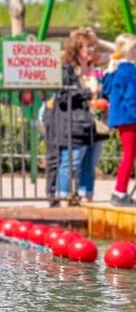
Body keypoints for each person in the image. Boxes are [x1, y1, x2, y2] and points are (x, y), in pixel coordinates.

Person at [51, 28, 106, 202]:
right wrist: (88, 92)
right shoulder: (67, 69)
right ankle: (63, 197)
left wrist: (104, 99)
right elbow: (63, 95)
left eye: (92, 46)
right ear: (76, 49)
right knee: (71, 162)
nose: (91, 50)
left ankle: (85, 195)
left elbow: (122, 52)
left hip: (95, 123)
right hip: (74, 123)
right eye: (87, 46)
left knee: (89, 163)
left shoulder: (95, 68)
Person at [102, 33, 136, 206]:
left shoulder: (116, 70)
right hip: (130, 117)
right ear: (127, 50)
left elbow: (106, 88)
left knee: (129, 155)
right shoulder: (129, 70)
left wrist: (109, 68)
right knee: (129, 155)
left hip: (123, 117)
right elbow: (131, 97)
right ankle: (119, 191)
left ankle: (120, 191)